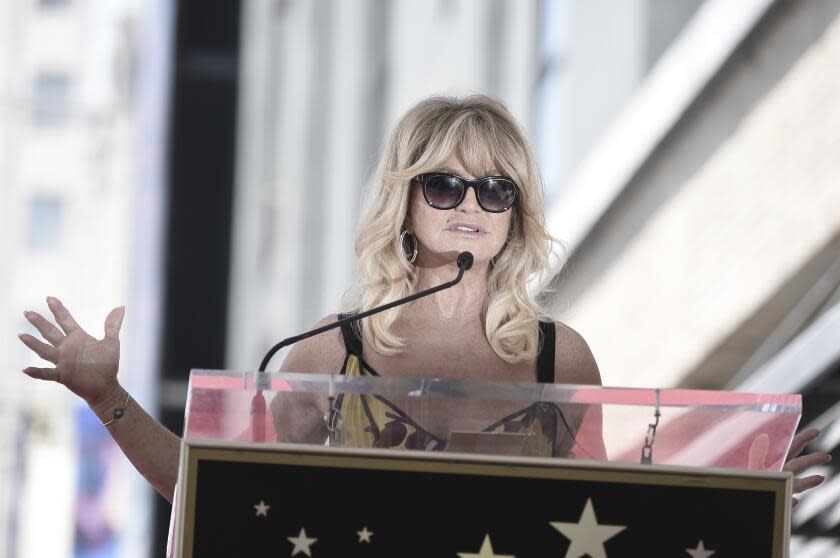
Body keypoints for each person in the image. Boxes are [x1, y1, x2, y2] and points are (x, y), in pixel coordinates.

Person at [18, 95, 828, 506]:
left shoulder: (558, 353)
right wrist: (106, 396)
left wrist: (744, 485)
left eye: (494, 187)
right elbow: (220, 495)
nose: (469, 203)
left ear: (518, 211)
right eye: (443, 184)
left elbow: (605, 509)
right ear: (404, 201)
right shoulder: (332, 353)